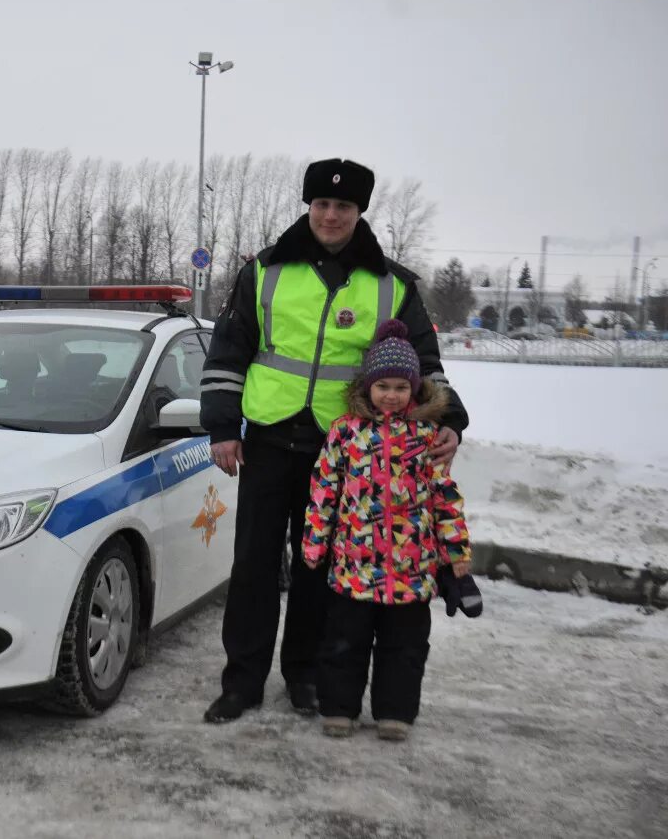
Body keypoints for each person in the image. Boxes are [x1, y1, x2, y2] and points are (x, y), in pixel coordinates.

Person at [199, 158, 469, 723]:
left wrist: (452, 418)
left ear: (359, 211)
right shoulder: (265, 270)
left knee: (318, 570)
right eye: (322, 204)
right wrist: (223, 428)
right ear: (308, 206)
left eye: (343, 206)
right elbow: (229, 352)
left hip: (344, 452)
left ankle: (305, 676)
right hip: (269, 439)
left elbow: (423, 363)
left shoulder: (393, 284)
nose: (331, 214)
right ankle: (242, 682)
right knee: (251, 566)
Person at [303, 320, 473, 740]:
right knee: (344, 642)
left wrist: (457, 556)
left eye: (401, 387)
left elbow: (444, 498)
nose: (392, 395)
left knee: (405, 647)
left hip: (411, 568)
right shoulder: (346, 432)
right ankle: (339, 708)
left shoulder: (427, 435)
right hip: (352, 565)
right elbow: (325, 489)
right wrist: (314, 543)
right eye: (383, 386)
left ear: (414, 390)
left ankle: (395, 712)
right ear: (368, 388)